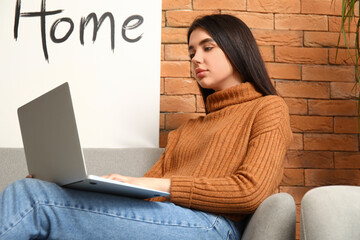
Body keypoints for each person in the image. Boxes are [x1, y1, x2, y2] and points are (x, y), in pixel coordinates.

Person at [0, 14, 292, 239]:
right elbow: (143, 191)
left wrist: (160, 185)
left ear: (237, 48)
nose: (196, 59)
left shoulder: (268, 108)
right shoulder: (187, 131)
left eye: (207, 47)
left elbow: (250, 191)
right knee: (33, 188)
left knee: (32, 199)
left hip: (213, 227)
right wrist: (76, 185)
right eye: (192, 52)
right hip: (169, 216)